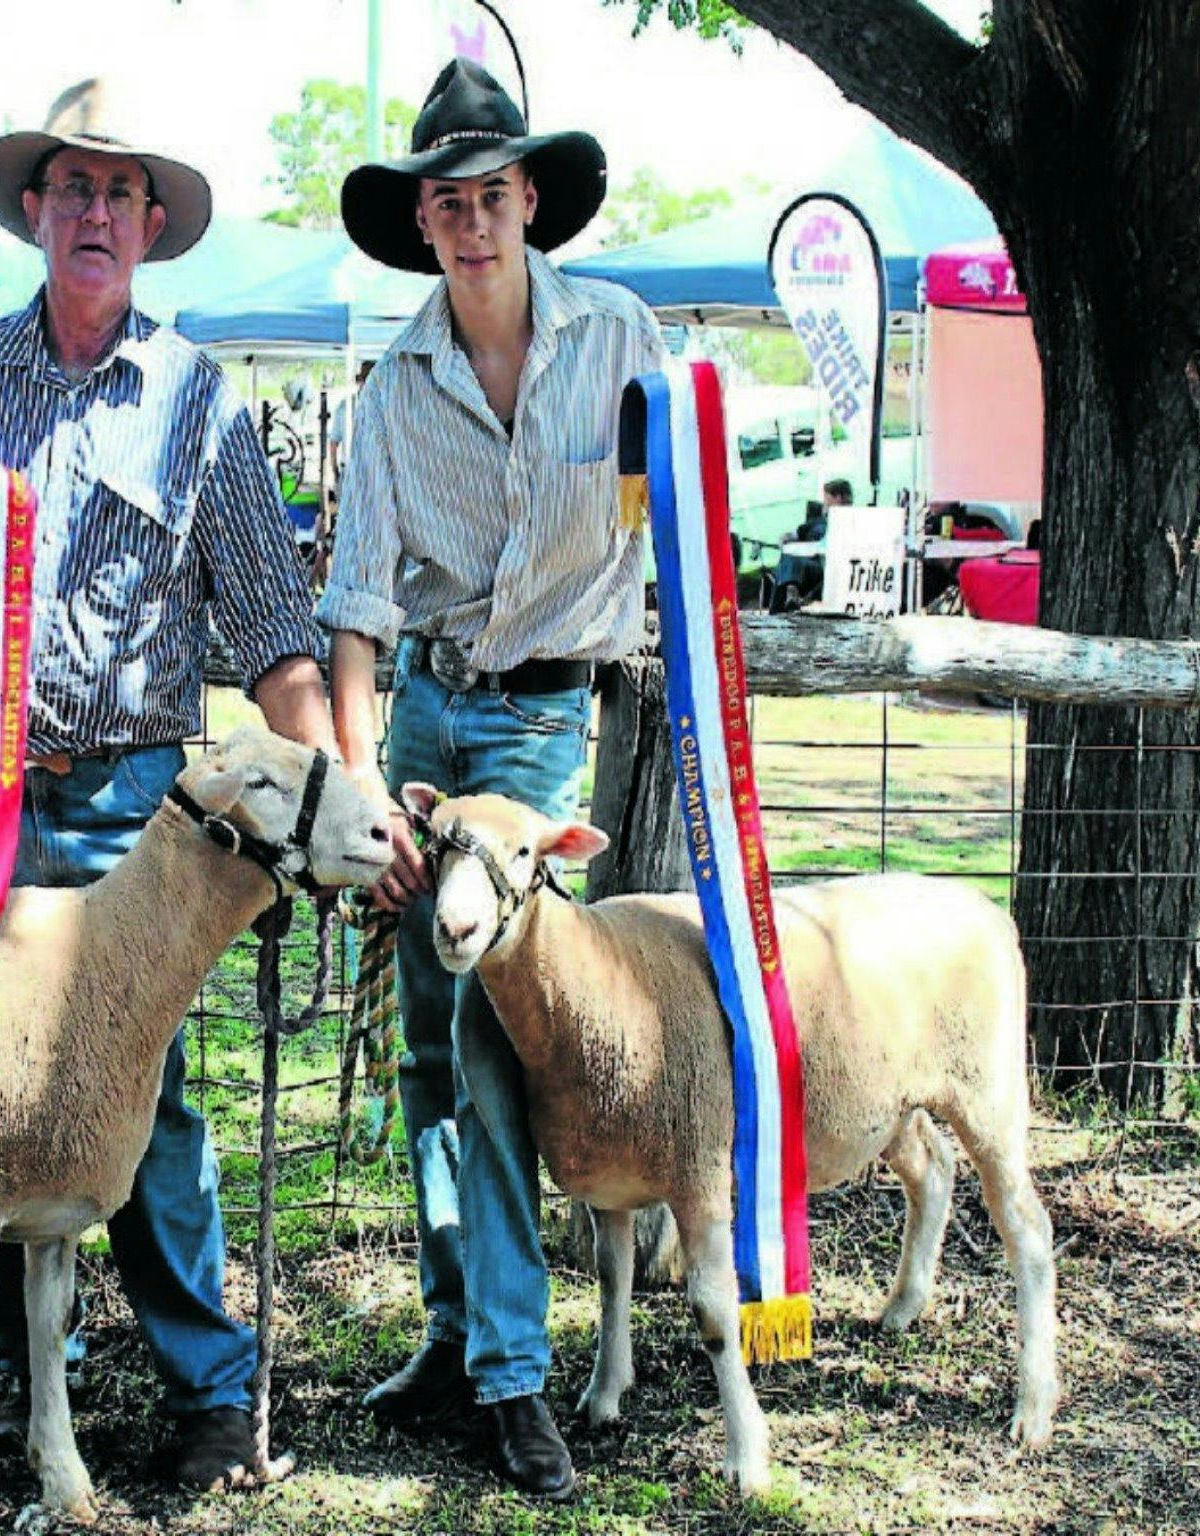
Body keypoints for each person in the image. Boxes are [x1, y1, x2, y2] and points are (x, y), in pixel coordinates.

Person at [0, 78, 336, 1491]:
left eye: (119, 193)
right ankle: (13, 1377)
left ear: (147, 227)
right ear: (32, 209)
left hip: (136, 801)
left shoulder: (197, 402)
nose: (92, 212)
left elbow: (268, 629)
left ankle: (205, 1388)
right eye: (71, 186)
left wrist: (333, 797)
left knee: (148, 1100)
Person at [316, 58, 667, 1501]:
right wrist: (354, 784)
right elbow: (355, 602)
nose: (468, 221)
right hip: (422, 738)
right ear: (421, 219)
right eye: (442, 200)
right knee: (421, 1053)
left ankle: (514, 1372)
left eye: (488, 194)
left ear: (530, 201)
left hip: (536, 740)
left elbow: (673, 527)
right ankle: (458, 1329)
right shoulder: (394, 381)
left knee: (494, 1049)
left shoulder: (626, 340)